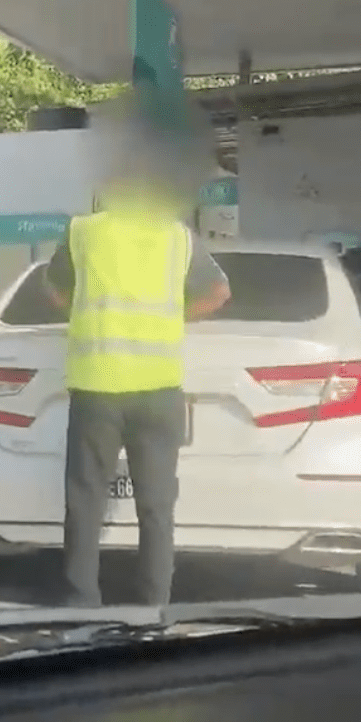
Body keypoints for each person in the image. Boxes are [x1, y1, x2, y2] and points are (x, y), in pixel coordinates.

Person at [45, 94, 231, 609]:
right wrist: (172, 317)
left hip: (98, 385)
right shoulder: (177, 237)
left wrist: (87, 315)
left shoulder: (84, 233)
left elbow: (55, 289)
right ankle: (153, 609)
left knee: (85, 501)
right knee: (156, 507)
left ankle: (80, 605)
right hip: (158, 387)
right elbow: (219, 293)